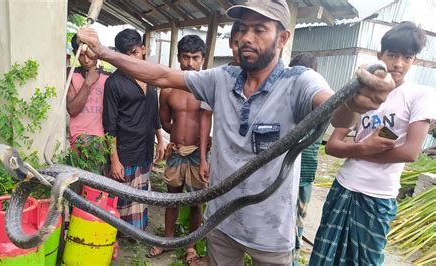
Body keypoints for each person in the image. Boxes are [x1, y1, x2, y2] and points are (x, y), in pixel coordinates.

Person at [76, 0, 394, 263]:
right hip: (221, 225)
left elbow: (335, 112)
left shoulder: (299, 82)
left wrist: (354, 102)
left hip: (270, 233)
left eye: (259, 29)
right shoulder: (222, 79)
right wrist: (104, 53)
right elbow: (161, 75)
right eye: (241, 29)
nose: (246, 37)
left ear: (282, 38)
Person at [310, 21, 436, 265]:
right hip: (343, 187)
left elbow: (410, 152)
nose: (398, 63)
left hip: (378, 197)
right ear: (380, 56)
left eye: (407, 57)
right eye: (392, 55)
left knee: (366, 261)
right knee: (324, 257)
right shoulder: (362, 91)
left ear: (415, 61)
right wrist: (363, 147)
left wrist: (356, 150)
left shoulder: (420, 95)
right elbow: (332, 145)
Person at [148, 35, 207, 264]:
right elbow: (165, 121)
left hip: (197, 154)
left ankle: (191, 246)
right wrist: (176, 137)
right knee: (171, 198)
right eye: (185, 57)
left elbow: (216, 119)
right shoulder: (169, 89)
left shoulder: (206, 88)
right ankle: (168, 240)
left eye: (195, 58)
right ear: (179, 57)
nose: (190, 63)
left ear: (202, 58)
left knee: (196, 201)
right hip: (176, 152)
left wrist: (206, 140)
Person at [102, 29, 164, 231]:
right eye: (126, 55)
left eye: (135, 52)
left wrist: (160, 140)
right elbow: (109, 124)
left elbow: (153, 112)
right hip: (125, 150)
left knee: (140, 193)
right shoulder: (114, 82)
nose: (132, 59)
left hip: (145, 146)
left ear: (143, 50)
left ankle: (135, 232)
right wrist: (114, 159)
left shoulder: (150, 78)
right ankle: (115, 233)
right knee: (120, 196)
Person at [287, 53, 320, 265]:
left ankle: (293, 259)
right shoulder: (288, 99)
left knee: (297, 220)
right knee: (286, 221)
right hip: (286, 176)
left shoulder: (318, 100)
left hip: (304, 175)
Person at [199, 20, 241, 182]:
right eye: (238, 43)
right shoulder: (217, 78)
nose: (242, 49)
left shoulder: (266, 80)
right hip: (221, 161)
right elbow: (205, 117)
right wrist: (204, 159)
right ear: (230, 43)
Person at [66, 34, 108, 149]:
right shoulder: (70, 75)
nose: (86, 60)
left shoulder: (108, 78)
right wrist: (88, 83)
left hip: (103, 140)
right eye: (81, 55)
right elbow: (72, 110)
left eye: (90, 55)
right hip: (79, 138)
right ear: (75, 54)